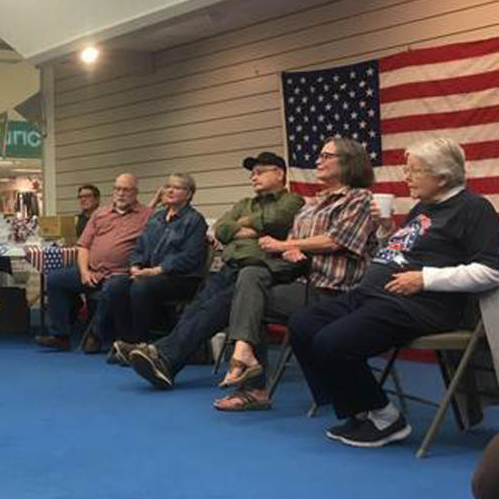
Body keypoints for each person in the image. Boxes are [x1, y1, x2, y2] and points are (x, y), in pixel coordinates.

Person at [289, 137, 499, 447]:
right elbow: (400, 252)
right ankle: (360, 410)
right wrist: (387, 227)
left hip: (421, 305)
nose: (406, 176)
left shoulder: (473, 208)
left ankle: (386, 418)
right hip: (374, 295)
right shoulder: (423, 206)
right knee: (303, 325)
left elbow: (492, 271)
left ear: (441, 177)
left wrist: (425, 279)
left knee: (332, 342)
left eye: (414, 170)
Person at [212, 136, 378, 411]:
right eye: (320, 155)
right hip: (301, 281)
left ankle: (250, 379)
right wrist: (290, 251)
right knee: (250, 278)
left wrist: (286, 245)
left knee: (247, 296)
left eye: (326, 156)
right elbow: (293, 241)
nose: (317, 161)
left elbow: (336, 241)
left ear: (348, 162)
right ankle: (245, 357)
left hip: (335, 292)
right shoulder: (313, 204)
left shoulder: (359, 198)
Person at [122, 153, 305, 385]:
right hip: (229, 268)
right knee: (197, 307)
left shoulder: (293, 201)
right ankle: (161, 357)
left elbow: (277, 218)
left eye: (260, 172)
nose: (253, 177)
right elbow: (221, 229)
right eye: (252, 173)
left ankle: (162, 357)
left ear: (279, 173)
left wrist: (239, 224)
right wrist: (251, 226)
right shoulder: (244, 204)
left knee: (214, 309)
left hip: (260, 273)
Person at [35, 173, 152, 352]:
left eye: (126, 190)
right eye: (117, 189)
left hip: (120, 274)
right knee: (55, 279)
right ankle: (61, 336)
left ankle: (95, 336)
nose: (121, 193)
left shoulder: (146, 216)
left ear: (135, 192)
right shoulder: (100, 213)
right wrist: (84, 272)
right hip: (92, 270)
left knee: (113, 287)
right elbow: (83, 246)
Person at [103, 173, 207, 346]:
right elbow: (140, 247)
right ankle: (125, 340)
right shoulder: (156, 217)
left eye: (176, 187)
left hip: (182, 279)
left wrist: (155, 271)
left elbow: (190, 258)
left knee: (141, 286)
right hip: (150, 274)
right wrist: (135, 266)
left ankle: (139, 342)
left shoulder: (194, 220)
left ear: (188, 194)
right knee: (115, 285)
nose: (170, 190)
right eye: (167, 186)